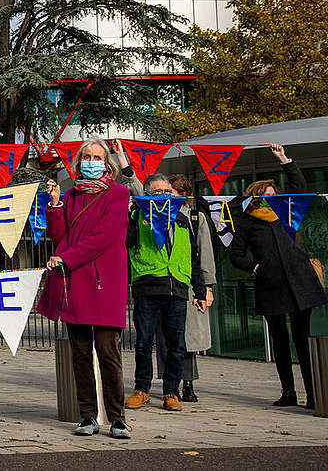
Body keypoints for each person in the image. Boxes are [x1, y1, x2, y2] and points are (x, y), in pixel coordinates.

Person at [37, 138, 132, 439]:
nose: (92, 161)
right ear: (79, 163)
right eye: (87, 156)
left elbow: (104, 237)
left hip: (104, 282)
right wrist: (54, 205)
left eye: (97, 157)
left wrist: (66, 258)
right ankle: (87, 415)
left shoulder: (119, 194)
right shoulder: (71, 195)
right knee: (79, 354)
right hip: (74, 280)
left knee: (108, 352)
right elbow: (60, 236)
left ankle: (117, 418)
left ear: (108, 163)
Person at [229, 144, 327, 409]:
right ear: (255, 198)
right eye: (265, 195)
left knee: (303, 341)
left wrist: (284, 159)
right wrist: (254, 267)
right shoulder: (247, 222)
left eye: (274, 194)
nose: (270, 198)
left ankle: (314, 395)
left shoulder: (287, 212)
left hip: (299, 282)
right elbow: (235, 254)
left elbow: (299, 185)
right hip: (271, 286)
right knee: (281, 343)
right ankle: (288, 392)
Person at [124, 172, 206, 413]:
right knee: (143, 343)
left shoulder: (183, 219)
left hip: (178, 286)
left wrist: (200, 288)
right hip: (147, 285)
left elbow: (193, 255)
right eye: (157, 191)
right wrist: (133, 213)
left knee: (176, 344)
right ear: (147, 194)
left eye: (167, 192)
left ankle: (172, 390)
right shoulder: (138, 216)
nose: (163, 196)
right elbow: (126, 243)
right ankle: (142, 389)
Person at [155, 174, 217, 403]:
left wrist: (207, 287)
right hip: (162, 282)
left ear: (182, 195)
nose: (165, 197)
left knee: (185, 337)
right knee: (164, 336)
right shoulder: (156, 216)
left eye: (170, 193)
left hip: (188, 284)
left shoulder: (194, 217)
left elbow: (205, 254)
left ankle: (188, 382)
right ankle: (169, 382)